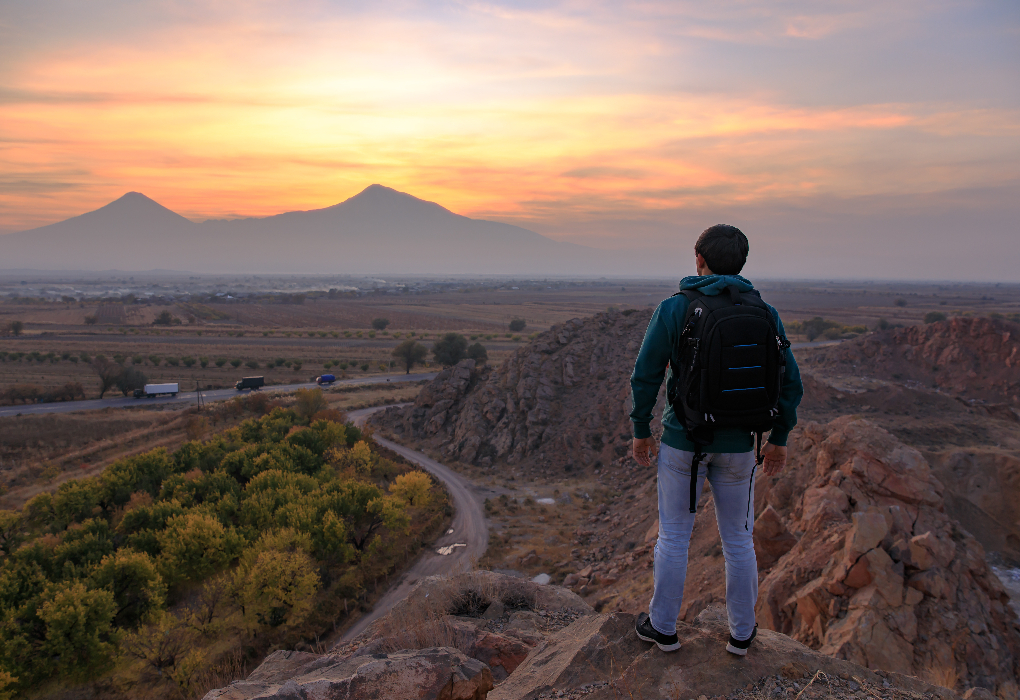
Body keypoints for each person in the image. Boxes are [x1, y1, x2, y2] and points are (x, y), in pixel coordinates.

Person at [629, 224, 803, 655]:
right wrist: (778, 438)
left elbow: (646, 375)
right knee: (739, 540)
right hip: (741, 446)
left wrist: (640, 429)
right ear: (741, 264)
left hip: (682, 441)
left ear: (699, 260)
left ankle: (664, 629)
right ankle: (742, 635)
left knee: (673, 537)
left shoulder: (676, 308)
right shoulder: (764, 311)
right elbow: (791, 382)